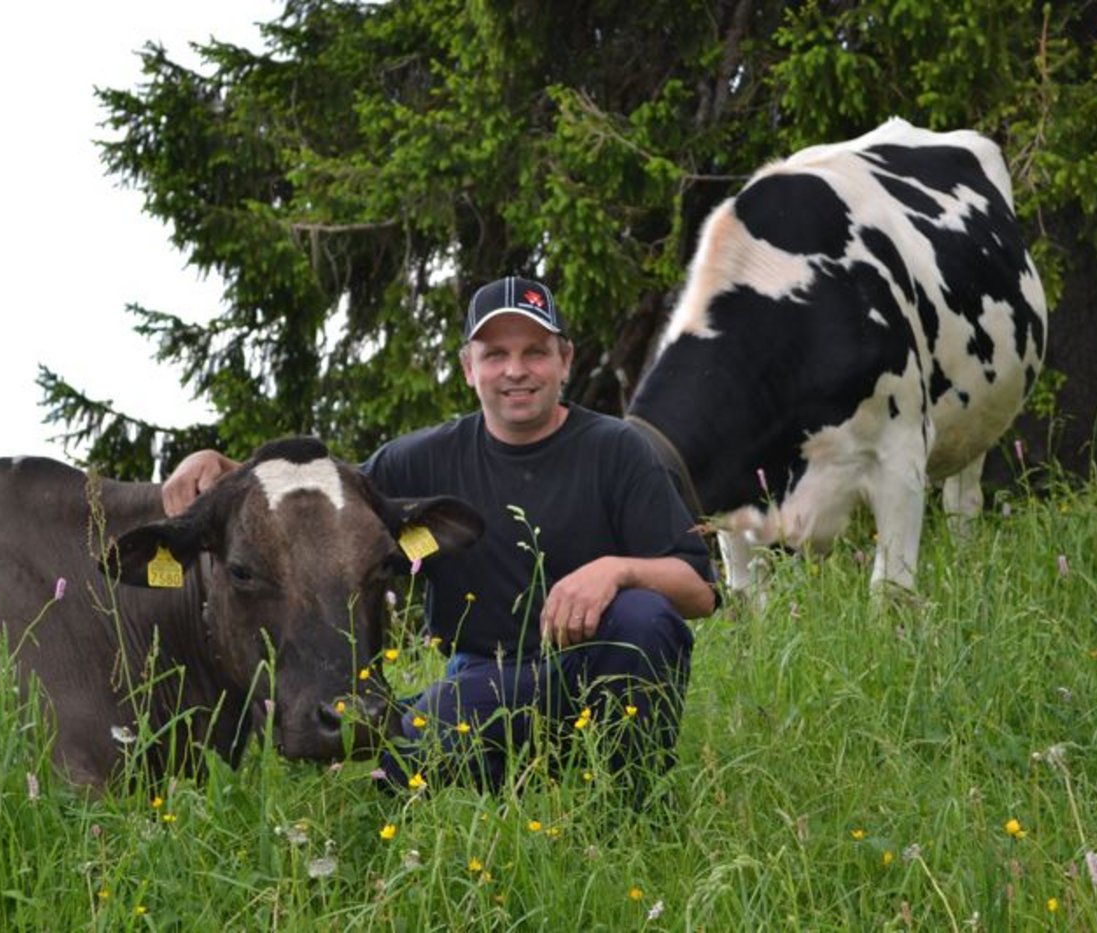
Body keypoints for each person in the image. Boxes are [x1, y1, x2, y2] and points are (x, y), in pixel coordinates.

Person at [162, 275, 718, 797]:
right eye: (495, 354)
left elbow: (698, 591)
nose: (515, 370)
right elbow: (316, 503)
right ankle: (474, 763)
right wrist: (220, 465)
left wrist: (617, 570)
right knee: (401, 770)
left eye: (535, 352)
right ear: (468, 368)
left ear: (564, 361)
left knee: (646, 615)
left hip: (596, 674)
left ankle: (632, 799)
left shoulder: (618, 450)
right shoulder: (419, 459)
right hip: (484, 680)